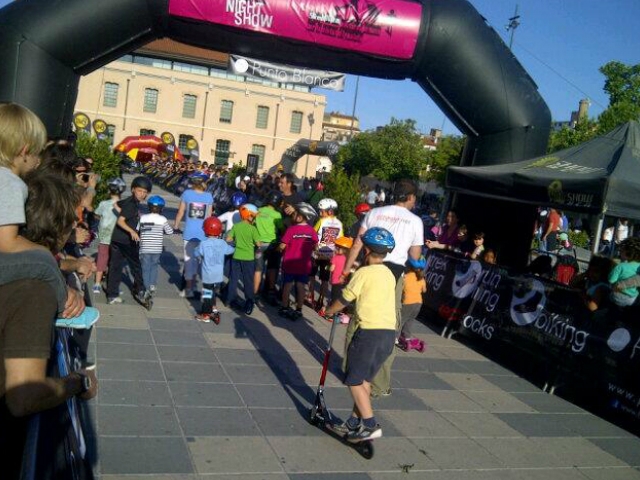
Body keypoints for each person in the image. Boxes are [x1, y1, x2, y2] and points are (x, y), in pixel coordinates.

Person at [1, 168, 98, 479]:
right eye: (71, 218)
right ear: (59, 225)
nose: (75, 224)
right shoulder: (36, 287)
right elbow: (22, 396)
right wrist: (78, 382)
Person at [342, 179, 424, 397]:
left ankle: (350, 371)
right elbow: (415, 257)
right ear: (410, 197)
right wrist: (418, 268)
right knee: (388, 325)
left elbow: (358, 243)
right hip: (393, 274)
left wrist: (346, 269)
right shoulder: (415, 221)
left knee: (359, 317)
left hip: (368, 267)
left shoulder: (375, 212)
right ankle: (378, 383)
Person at [324, 227, 397, 442]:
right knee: (364, 380)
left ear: (366, 249)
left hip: (369, 334)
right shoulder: (390, 274)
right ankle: (354, 422)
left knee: (353, 380)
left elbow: (345, 299)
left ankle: (370, 424)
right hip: (387, 335)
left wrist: (329, 310)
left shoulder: (363, 273)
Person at [0, 103, 48, 254]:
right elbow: (7, 243)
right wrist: (45, 251)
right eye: (38, 152)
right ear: (25, 151)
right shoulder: (11, 183)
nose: (38, 160)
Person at [106, 175, 151, 307]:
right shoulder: (131, 205)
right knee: (136, 267)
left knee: (115, 267)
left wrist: (126, 214)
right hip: (126, 240)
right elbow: (121, 221)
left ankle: (112, 295)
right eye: (139, 191)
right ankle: (140, 290)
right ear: (133, 190)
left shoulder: (128, 202)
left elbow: (115, 205)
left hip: (116, 239)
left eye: (144, 192)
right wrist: (132, 231)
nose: (142, 194)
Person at [174, 171, 214, 298]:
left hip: (189, 233)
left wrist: (176, 226)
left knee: (188, 261)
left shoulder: (187, 194)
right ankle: (202, 289)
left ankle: (188, 289)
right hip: (203, 234)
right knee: (198, 261)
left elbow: (180, 212)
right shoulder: (208, 197)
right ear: (202, 183)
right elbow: (209, 217)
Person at [278, 203, 319, 320]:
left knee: (287, 285)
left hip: (290, 263)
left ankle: (284, 307)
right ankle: (299, 309)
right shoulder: (312, 231)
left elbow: (282, 246)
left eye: (295, 214)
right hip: (304, 265)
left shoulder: (291, 229)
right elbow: (316, 247)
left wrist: (279, 248)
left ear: (301, 217)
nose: (293, 215)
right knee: (301, 286)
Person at [195, 216, 235, 323]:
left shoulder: (203, 244)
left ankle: (206, 314)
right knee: (213, 291)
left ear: (206, 230)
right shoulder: (222, 243)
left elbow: (196, 253)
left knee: (207, 294)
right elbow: (230, 251)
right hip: (218, 275)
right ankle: (214, 308)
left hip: (207, 275)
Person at [226, 203, 261, 314]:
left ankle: (229, 300)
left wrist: (236, 242)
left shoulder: (236, 226)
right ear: (248, 215)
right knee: (248, 280)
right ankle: (249, 301)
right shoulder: (253, 229)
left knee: (233, 278)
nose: (254, 218)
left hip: (236, 256)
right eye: (253, 216)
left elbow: (228, 239)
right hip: (248, 258)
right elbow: (259, 244)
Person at [93, 177, 125, 293]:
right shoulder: (123, 205)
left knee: (101, 259)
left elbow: (96, 215)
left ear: (109, 190)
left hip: (104, 236)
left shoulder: (103, 203)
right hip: (118, 237)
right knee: (114, 262)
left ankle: (97, 283)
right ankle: (112, 285)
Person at [310, 198, 343, 310]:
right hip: (329, 254)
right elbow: (340, 240)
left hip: (318, 252)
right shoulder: (339, 224)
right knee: (324, 279)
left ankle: (311, 297)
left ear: (329, 211)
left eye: (322, 211)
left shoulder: (321, 221)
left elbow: (312, 234)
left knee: (312, 275)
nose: (320, 213)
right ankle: (321, 300)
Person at [139, 195, 174, 293]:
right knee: (154, 266)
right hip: (157, 249)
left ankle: (145, 286)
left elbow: (138, 229)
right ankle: (152, 285)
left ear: (149, 206)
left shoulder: (143, 218)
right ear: (162, 208)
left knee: (145, 267)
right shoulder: (163, 219)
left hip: (145, 247)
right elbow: (170, 231)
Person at [254, 190, 284, 300]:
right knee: (272, 267)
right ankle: (270, 291)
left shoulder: (259, 211)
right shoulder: (277, 215)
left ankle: (255, 291)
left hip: (259, 244)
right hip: (272, 244)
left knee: (258, 269)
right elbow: (281, 229)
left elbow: (254, 224)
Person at [398, 256, 427, 349]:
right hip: (418, 303)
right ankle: (406, 337)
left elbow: (400, 289)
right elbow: (424, 290)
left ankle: (394, 337)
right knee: (410, 320)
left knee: (400, 320)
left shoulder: (405, 277)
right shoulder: (421, 278)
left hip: (407, 302)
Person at [609, 237, 640, 307]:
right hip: (633, 299)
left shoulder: (621, 266)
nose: (619, 253)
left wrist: (620, 285)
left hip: (618, 297)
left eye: (621, 251)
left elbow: (611, 280)